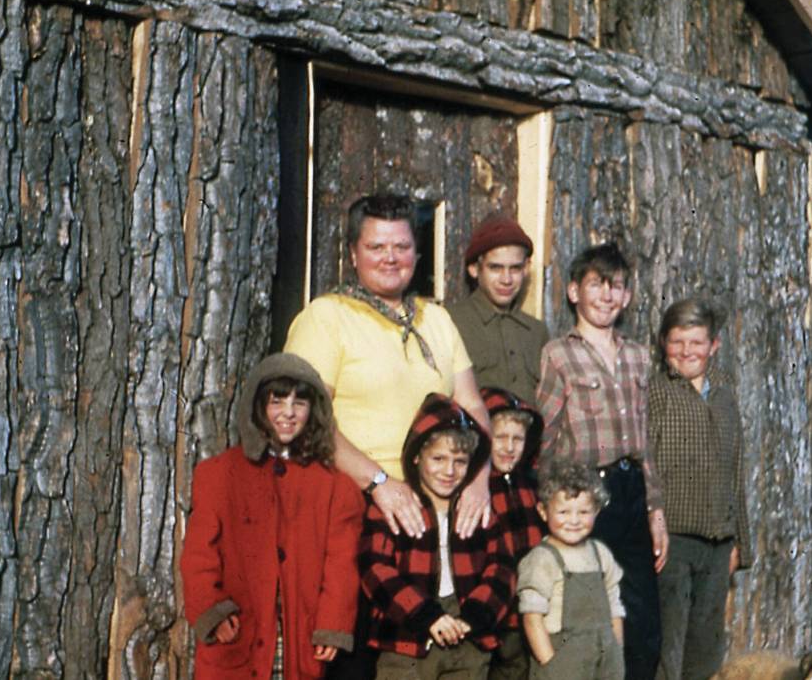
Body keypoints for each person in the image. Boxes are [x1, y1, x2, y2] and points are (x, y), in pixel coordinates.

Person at [284, 195, 491, 541]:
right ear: (353, 254)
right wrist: (378, 482)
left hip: (437, 500)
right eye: (376, 246)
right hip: (357, 500)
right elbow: (308, 421)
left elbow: (472, 404)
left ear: (416, 253)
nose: (390, 258)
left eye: (401, 246)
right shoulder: (326, 317)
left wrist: (479, 478)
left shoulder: (437, 319)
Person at [181, 353, 365, 680]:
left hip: (298, 633)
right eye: (277, 401)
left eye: (300, 403)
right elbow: (199, 554)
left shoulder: (336, 487)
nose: (289, 413)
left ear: (315, 411)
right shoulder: (219, 475)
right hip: (239, 633)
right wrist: (212, 611)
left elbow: (341, 563)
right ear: (257, 406)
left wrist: (332, 624)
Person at [534, 242, 667, 680]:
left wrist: (655, 509)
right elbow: (546, 437)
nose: (607, 296)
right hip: (587, 494)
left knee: (644, 622)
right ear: (574, 291)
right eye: (597, 285)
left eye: (617, 287)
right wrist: (555, 505)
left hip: (632, 492)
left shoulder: (638, 357)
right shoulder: (559, 354)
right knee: (593, 613)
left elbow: (644, 441)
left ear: (627, 296)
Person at [361, 393, 515, 680]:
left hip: (467, 625)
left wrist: (477, 615)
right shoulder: (394, 505)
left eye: (459, 461)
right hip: (406, 632)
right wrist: (424, 615)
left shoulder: (475, 506)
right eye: (439, 458)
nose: (449, 470)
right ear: (417, 456)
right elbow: (375, 569)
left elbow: (503, 567)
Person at [648, 298, 752, 680]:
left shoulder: (725, 398)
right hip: (673, 542)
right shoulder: (656, 393)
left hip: (718, 544)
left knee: (706, 647)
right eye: (677, 342)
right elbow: (644, 462)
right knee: (667, 645)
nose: (687, 351)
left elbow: (735, 471)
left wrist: (739, 539)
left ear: (714, 345)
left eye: (696, 342)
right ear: (663, 343)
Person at [517, 457, 626, 680]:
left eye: (584, 512)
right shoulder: (542, 558)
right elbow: (532, 617)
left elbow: (614, 607)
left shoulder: (599, 553)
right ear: (543, 511)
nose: (574, 521)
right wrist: (551, 665)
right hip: (563, 662)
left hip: (604, 659)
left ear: (596, 510)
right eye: (564, 512)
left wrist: (617, 653)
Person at [448, 213, 550, 406]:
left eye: (515, 268)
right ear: (474, 269)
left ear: (526, 269)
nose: (506, 279)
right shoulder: (451, 322)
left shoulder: (536, 332)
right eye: (495, 268)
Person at [480, 387, 547, 680]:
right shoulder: (478, 487)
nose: (509, 447)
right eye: (501, 438)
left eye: (517, 439)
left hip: (530, 608)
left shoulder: (530, 484)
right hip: (496, 609)